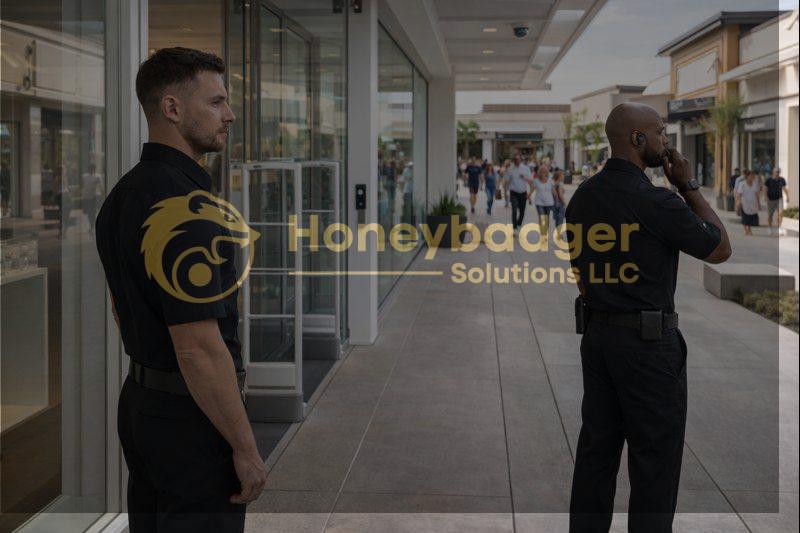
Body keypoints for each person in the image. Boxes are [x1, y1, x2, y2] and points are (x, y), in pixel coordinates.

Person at [95, 48, 267, 532]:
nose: (229, 114)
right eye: (216, 102)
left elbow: (119, 307)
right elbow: (197, 347)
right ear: (171, 109)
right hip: (191, 418)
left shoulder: (122, 195)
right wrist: (246, 448)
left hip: (142, 406)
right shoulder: (186, 208)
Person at [567, 102, 731, 533]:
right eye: (660, 133)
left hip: (598, 341)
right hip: (647, 349)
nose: (666, 142)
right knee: (654, 464)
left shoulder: (583, 197)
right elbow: (719, 246)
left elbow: (581, 273)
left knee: (595, 456)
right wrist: (688, 185)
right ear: (638, 140)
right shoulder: (658, 201)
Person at [506, 153, 534, 234]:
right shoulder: (510, 169)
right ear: (513, 161)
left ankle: (519, 224)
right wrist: (506, 192)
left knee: (522, 210)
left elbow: (531, 180)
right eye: (515, 160)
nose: (516, 161)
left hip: (523, 192)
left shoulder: (525, 169)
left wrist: (524, 178)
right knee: (514, 209)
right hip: (513, 192)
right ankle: (514, 227)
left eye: (518, 160)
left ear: (520, 160)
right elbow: (507, 180)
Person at [530, 163, 555, 238]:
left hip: (549, 202)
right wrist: (528, 196)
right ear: (539, 172)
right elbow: (532, 189)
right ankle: (542, 232)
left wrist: (558, 198)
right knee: (541, 217)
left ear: (547, 172)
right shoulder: (536, 181)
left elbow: (553, 191)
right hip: (539, 202)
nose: (543, 173)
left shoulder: (550, 180)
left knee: (546, 218)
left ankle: (545, 232)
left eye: (545, 172)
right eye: (542, 171)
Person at [735, 170, 762, 236]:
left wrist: (758, 204)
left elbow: (757, 194)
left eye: (753, 176)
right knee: (745, 217)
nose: (753, 177)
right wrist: (738, 202)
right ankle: (746, 230)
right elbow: (739, 194)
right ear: (747, 176)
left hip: (753, 203)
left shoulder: (755, 184)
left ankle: (748, 229)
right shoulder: (742, 184)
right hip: (744, 203)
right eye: (751, 176)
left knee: (750, 217)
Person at [764, 167, 789, 236]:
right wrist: (766, 197)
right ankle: (769, 228)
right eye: (776, 172)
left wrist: (787, 197)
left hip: (779, 199)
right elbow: (765, 189)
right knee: (770, 215)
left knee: (780, 214)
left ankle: (779, 228)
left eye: (778, 172)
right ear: (773, 172)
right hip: (770, 200)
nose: (777, 173)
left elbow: (784, 188)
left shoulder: (782, 180)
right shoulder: (769, 180)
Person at [81, 163, 104, 235]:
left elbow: (101, 186)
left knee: (93, 212)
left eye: (93, 169)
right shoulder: (84, 176)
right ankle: (91, 225)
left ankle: (92, 226)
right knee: (88, 212)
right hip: (87, 197)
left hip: (95, 196)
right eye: (90, 169)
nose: (92, 170)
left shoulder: (98, 176)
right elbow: (83, 186)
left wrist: (103, 194)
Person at [552, 169, 567, 237]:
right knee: (560, 218)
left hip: (554, 203)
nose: (563, 176)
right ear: (560, 176)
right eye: (562, 175)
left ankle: (557, 232)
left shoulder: (554, 183)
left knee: (557, 219)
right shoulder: (560, 184)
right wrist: (564, 203)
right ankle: (559, 233)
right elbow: (561, 194)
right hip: (560, 203)